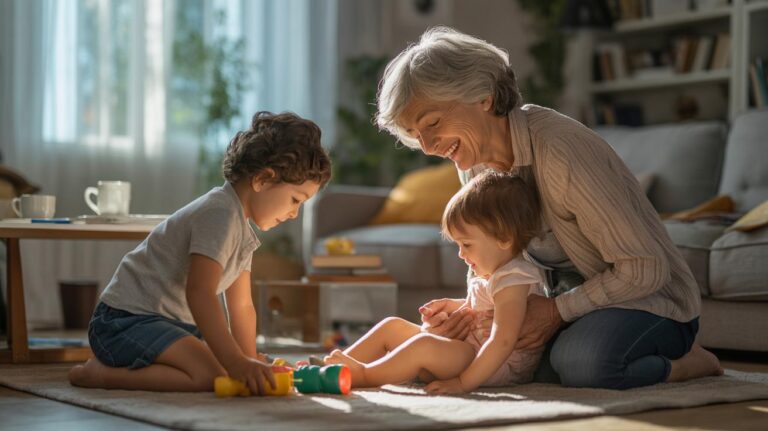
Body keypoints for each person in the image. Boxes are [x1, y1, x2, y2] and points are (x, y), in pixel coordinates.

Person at [375, 26, 723, 390]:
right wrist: (473, 310)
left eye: (433, 123)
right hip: (565, 299)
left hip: (646, 300)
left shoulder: (560, 150)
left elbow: (645, 268)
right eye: (417, 135)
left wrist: (556, 313)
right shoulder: (473, 160)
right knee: (509, 361)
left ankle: (688, 364)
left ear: (484, 97)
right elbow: (496, 253)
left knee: (582, 364)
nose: (428, 147)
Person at [68, 112, 332, 394]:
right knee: (212, 375)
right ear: (263, 180)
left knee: (224, 364)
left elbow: (241, 306)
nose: (294, 214)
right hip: (124, 322)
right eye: (295, 200)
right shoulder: (219, 214)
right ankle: (100, 375)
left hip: (169, 325)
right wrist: (236, 363)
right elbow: (200, 292)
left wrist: (249, 359)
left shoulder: (241, 230)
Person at [324, 171, 547, 393]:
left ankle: (364, 374)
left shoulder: (514, 278)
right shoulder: (493, 273)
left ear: (504, 238)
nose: (460, 254)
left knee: (424, 346)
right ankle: (332, 366)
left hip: (493, 365)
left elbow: (503, 341)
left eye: (466, 245)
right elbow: (485, 308)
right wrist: (453, 306)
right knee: (392, 326)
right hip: (469, 350)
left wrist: (463, 383)